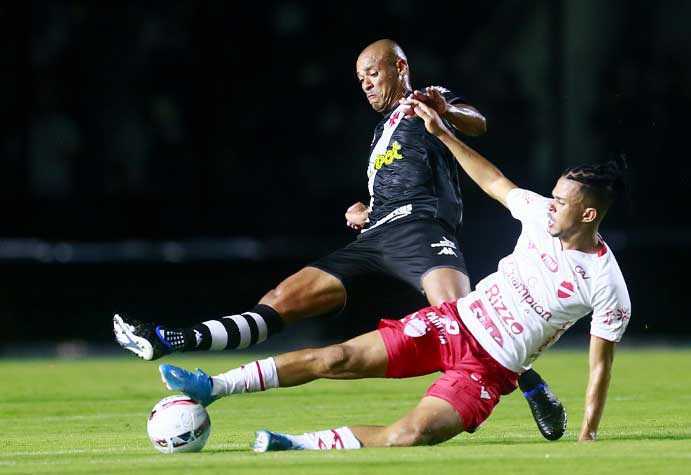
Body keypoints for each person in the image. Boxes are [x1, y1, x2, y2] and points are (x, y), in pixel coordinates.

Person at [113, 39, 566, 439]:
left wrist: (445, 112)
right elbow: (395, 180)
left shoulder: (426, 101)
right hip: (376, 234)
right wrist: (366, 208)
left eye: (373, 72)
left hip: (419, 230)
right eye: (360, 78)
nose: (366, 83)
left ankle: (531, 384)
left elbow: (478, 122)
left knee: (460, 317)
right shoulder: (379, 132)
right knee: (282, 298)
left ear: (400, 68)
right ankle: (173, 338)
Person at [158, 96, 631, 451]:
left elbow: (600, 363)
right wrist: (443, 133)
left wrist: (588, 433)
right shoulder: (538, 215)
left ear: (588, 216)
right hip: (452, 324)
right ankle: (213, 386)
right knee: (336, 358)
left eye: (563, 202)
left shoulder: (606, 284)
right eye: (553, 195)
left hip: (488, 369)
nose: (550, 205)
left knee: (409, 435)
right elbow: (494, 181)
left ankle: (292, 444)